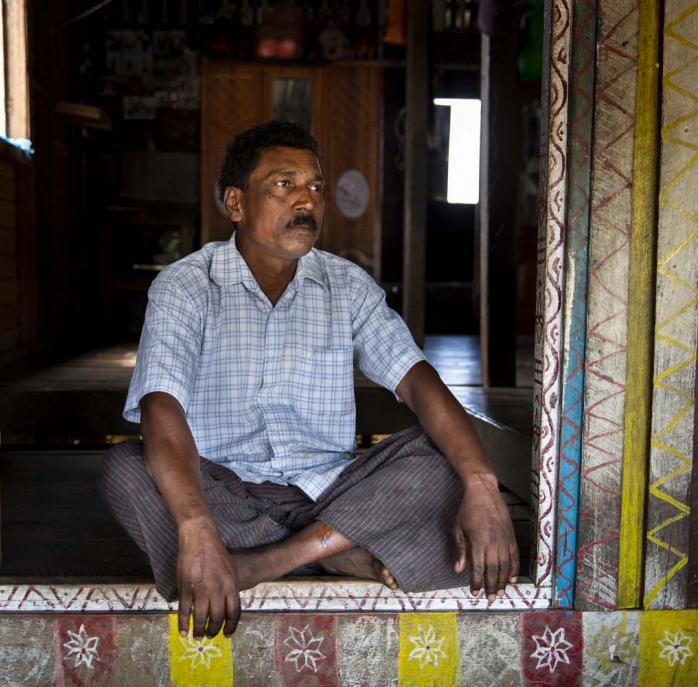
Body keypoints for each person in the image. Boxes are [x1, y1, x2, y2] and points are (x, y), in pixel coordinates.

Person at [99, 120, 518, 639]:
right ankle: (337, 552)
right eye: (284, 184)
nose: (307, 201)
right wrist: (197, 526)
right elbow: (162, 406)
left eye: (316, 187)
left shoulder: (346, 285)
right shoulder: (186, 286)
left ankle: (260, 563)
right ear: (236, 203)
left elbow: (417, 381)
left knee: (446, 457)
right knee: (125, 468)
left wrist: (482, 485)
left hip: (330, 493)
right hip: (223, 494)